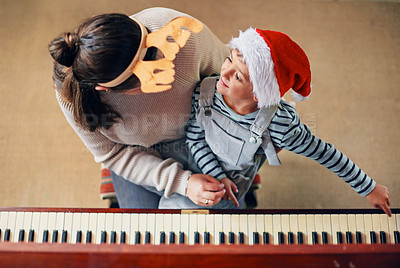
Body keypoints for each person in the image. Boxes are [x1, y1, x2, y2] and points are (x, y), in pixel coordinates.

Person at [184, 27, 392, 216]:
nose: (224, 72)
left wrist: (369, 188)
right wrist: (216, 174)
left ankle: (249, 183)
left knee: (220, 217)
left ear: (259, 94)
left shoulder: (281, 126)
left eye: (238, 77)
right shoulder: (205, 91)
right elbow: (194, 137)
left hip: (235, 179)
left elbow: (325, 153)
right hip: (203, 162)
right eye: (229, 59)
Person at [48, 7, 231, 208]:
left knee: (220, 214)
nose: (160, 74)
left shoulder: (178, 30)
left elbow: (232, 75)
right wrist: (182, 182)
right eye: (145, 81)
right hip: (138, 154)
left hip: (205, 132)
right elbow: (113, 154)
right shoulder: (71, 97)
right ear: (103, 88)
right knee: (145, 232)